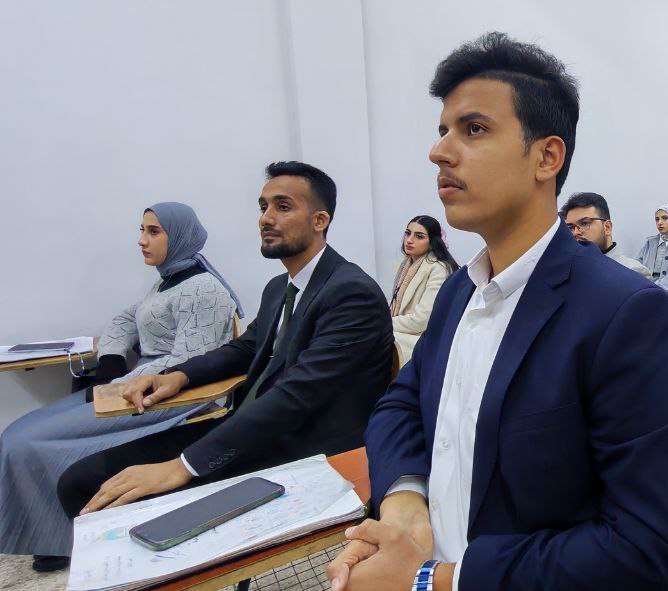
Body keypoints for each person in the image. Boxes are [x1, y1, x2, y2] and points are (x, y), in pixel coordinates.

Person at [327, 32, 668, 591]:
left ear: (546, 157)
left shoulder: (625, 312)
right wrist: (404, 503)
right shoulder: (460, 291)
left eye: (474, 129)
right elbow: (401, 402)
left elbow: (644, 549)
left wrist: (433, 580)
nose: (439, 152)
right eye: (442, 130)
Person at [56, 162, 394, 535]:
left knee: (96, 491)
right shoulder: (280, 287)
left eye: (283, 207)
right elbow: (245, 349)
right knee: (80, 479)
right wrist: (176, 376)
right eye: (263, 207)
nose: (266, 218)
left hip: (305, 448)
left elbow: (297, 396)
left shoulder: (351, 293)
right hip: (251, 427)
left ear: (319, 220)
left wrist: (182, 466)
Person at [0, 202, 240, 572]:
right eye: (142, 230)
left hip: (166, 397)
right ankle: (57, 533)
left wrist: (119, 384)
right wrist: (111, 361)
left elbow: (188, 362)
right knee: (18, 433)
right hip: (133, 387)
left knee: (24, 441)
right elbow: (126, 318)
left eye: (153, 231)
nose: (142, 240)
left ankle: (63, 539)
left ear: (179, 236)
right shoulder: (169, 279)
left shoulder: (202, 289)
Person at [391, 215, 459, 367]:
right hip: (404, 331)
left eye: (419, 236)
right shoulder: (407, 263)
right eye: (408, 233)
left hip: (423, 338)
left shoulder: (438, 268)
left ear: (432, 241)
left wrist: (383, 323)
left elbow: (421, 320)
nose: (409, 240)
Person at [559, 191, 649, 276]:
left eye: (584, 223)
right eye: (570, 227)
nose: (575, 232)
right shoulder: (568, 271)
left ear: (607, 227)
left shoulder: (633, 272)